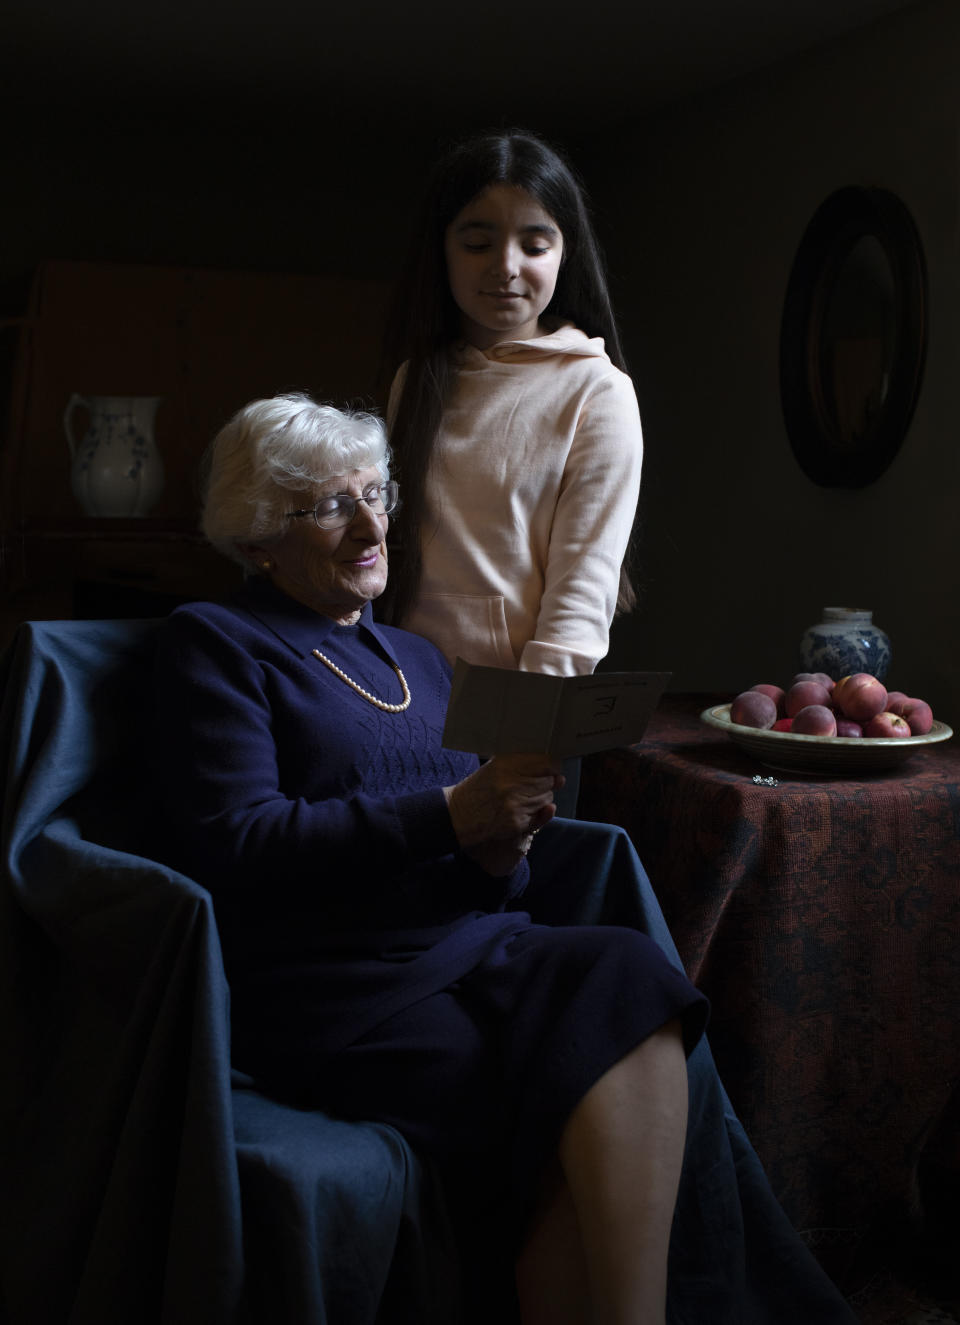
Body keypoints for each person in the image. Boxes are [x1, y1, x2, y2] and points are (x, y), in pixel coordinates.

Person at [153, 394, 859, 1325]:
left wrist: (500, 847)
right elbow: (237, 842)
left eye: (376, 493)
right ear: (255, 540)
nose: (370, 524)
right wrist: (451, 815)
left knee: (628, 973)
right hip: (331, 985)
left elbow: (478, 868)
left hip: (470, 946)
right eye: (327, 506)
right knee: (557, 1096)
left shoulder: (418, 658)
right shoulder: (216, 645)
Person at [380, 128, 642, 688]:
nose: (505, 266)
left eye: (534, 245)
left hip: (519, 708)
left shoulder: (596, 391)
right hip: (399, 693)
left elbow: (583, 589)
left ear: (565, 252)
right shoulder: (417, 379)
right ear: (442, 248)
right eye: (477, 244)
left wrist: (527, 729)